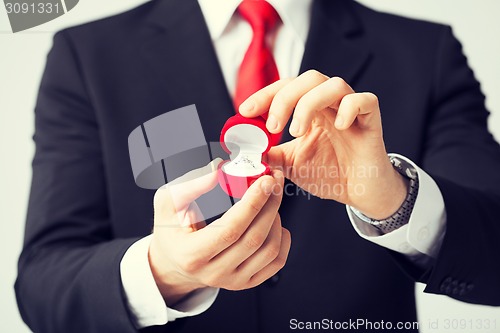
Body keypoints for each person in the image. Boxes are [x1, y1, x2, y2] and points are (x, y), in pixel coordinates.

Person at [15, 0, 500, 332]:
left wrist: (390, 196)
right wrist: (164, 272)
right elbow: (43, 282)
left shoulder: (424, 53)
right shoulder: (87, 55)